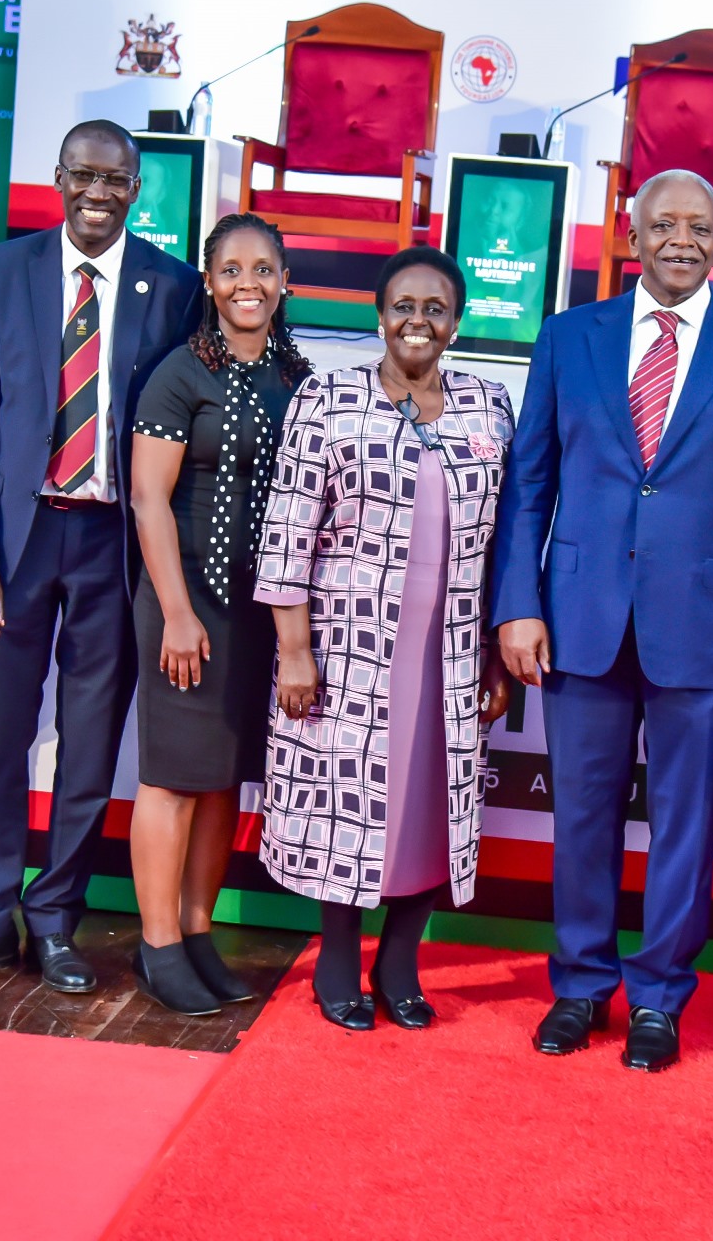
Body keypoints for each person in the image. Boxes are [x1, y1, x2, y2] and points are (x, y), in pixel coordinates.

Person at [495, 169, 713, 1072]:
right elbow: (530, 487)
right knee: (583, 818)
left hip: (708, 634)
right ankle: (580, 987)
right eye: (665, 223)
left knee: (686, 826)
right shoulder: (570, 338)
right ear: (632, 237)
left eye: (702, 225)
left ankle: (660, 1000)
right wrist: (517, 606)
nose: (683, 238)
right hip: (581, 622)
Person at [0, 122, 202, 992]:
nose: (98, 191)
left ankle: (53, 922)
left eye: (116, 179)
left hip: (113, 546)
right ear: (56, 178)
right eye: (82, 174)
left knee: (89, 748)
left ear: (137, 188)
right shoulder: (3, 272)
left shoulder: (176, 286)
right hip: (16, 543)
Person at [257, 246, 515, 1029]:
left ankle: (400, 962)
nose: (418, 321)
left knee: (433, 811)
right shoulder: (328, 398)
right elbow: (287, 528)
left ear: (457, 322)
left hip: (452, 652)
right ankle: (338, 959)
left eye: (436, 308)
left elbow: (509, 534)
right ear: (379, 315)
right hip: (347, 649)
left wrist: (498, 653)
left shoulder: (490, 404)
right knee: (348, 805)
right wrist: (295, 649)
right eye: (404, 305)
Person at [126, 215, 313, 1013]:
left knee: (220, 784)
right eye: (231, 269)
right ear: (208, 281)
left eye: (263, 269)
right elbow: (147, 498)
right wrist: (175, 611)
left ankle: (197, 934)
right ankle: (157, 944)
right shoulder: (179, 372)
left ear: (283, 281)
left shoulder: (297, 374)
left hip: (257, 612)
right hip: (185, 603)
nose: (248, 283)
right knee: (172, 779)